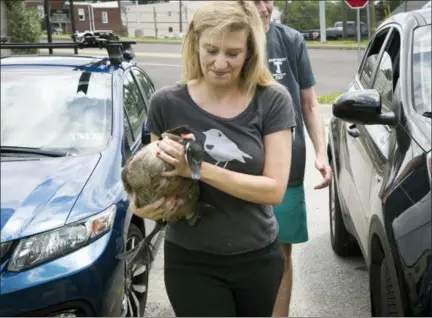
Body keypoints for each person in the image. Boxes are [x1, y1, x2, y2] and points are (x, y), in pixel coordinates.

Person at [130, 1, 297, 316]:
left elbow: (273, 189)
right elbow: (152, 185)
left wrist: (195, 167)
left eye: (232, 53)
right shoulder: (165, 103)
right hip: (192, 261)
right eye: (211, 50)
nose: (220, 63)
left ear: (249, 52)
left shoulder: (273, 100)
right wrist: (150, 206)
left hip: (257, 257)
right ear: (195, 46)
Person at [252, 1, 332, 317]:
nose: (264, 6)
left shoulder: (291, 40)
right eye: (254, 0)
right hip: (242, 165)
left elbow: (310, 104)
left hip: (288, 167)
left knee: (279, 255)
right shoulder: (227, 42)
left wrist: (321, 153)